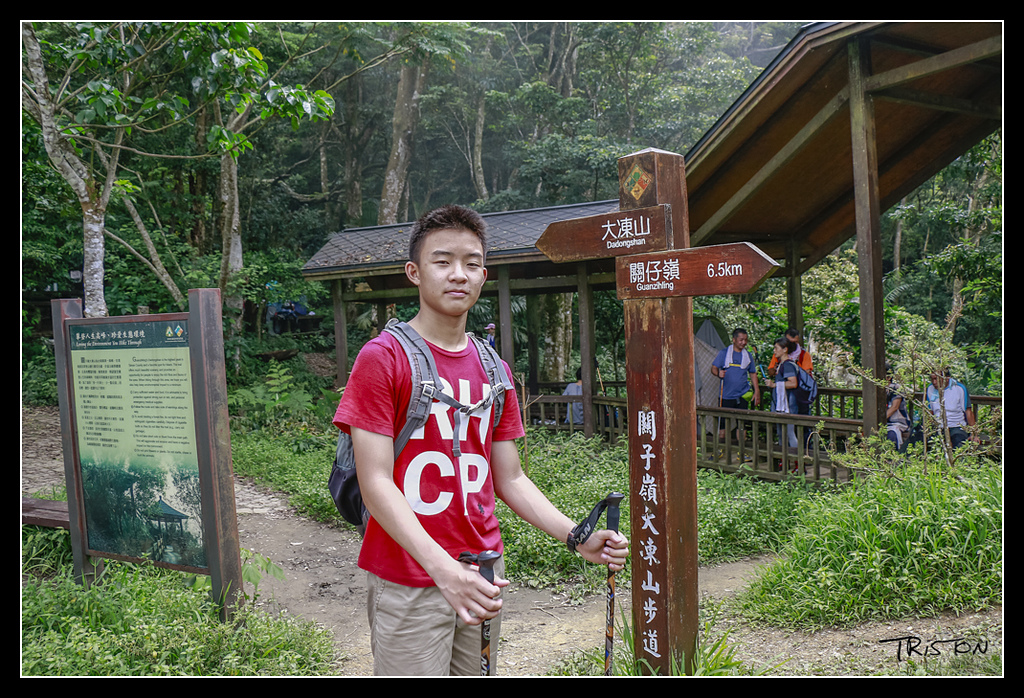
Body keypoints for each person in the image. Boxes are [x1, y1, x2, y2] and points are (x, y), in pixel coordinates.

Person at [332, 204, 628, 676]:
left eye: (471, 264)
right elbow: (376, 482)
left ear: (484, 274)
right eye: (442, 261)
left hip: (483, 571)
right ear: (414, 272)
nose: (458, 274)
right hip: (409, 574)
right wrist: (442, 569)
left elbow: (510, 478)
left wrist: (576, 536)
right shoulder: (382, 357)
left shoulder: (494, 369)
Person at [710, 328, 760, 441]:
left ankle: (741, 452)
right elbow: (713, 368)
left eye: (745, 340)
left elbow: (752, 373)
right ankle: (721, 450)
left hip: (742, 394)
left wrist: (757, 391)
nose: (744, 342)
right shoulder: (724, 353)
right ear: (734, 340)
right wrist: (719, 373)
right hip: (726, 395)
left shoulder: (748, 355)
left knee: (742, 425)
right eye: (741, 340)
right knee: (723, 424)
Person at [925, 369, 976, 449]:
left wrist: (974, 434)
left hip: (956, 425)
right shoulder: (930, 388)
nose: (934, 382)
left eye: (937, 379)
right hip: (938, 426)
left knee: (959, 443)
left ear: (946, 378)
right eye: (932, 379)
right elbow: (929, 411)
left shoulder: (959, 388)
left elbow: (968, 411)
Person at [765, 337, 799, 452]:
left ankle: (797, 464)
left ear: (785, 349)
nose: (774, 351)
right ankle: (783, 462)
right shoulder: (781, 365)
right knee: (780, 433)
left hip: (788, 406)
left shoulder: (788, 365)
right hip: (782, 406)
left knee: (789, 433)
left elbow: (793, 383)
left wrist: (774, 385)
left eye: (776, 348)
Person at [885, 364, 911, 451]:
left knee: (891, 434)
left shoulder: (896, 388)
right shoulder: (876, 389)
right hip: (884, 422)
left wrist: (879, 419)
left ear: (888, 377)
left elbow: (894, 407)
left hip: (897, 422)